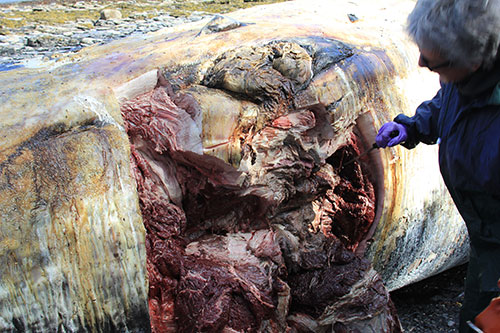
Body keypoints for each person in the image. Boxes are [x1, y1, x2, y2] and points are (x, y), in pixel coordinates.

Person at [375, 0, 500, 331]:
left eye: (431, 62)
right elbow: (448, 103)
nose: (420, 63)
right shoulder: (466, 80)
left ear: (472, 61)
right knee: (472, 318)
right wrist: (412, 126)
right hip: (485, 236)